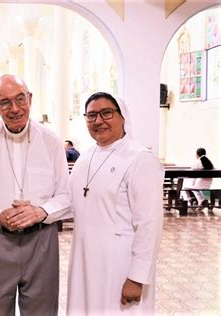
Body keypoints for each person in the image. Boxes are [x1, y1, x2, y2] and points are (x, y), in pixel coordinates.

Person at [0, 74, 72, 315]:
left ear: (30, 98)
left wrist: (40, 212)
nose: (14, 108)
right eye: (5, 102)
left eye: (20, 99)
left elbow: (66, 196)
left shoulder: (51, 141)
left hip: (41, 241)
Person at [67, 92, 164, 315]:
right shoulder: (85, 157)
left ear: (123, 118)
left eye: (106, 113)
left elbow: (150, 225)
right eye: (91, 116)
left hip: (120, 264)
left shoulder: (140, 159)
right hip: (84, 261)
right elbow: (69, 202)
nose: (98, 121)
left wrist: (137, 277)